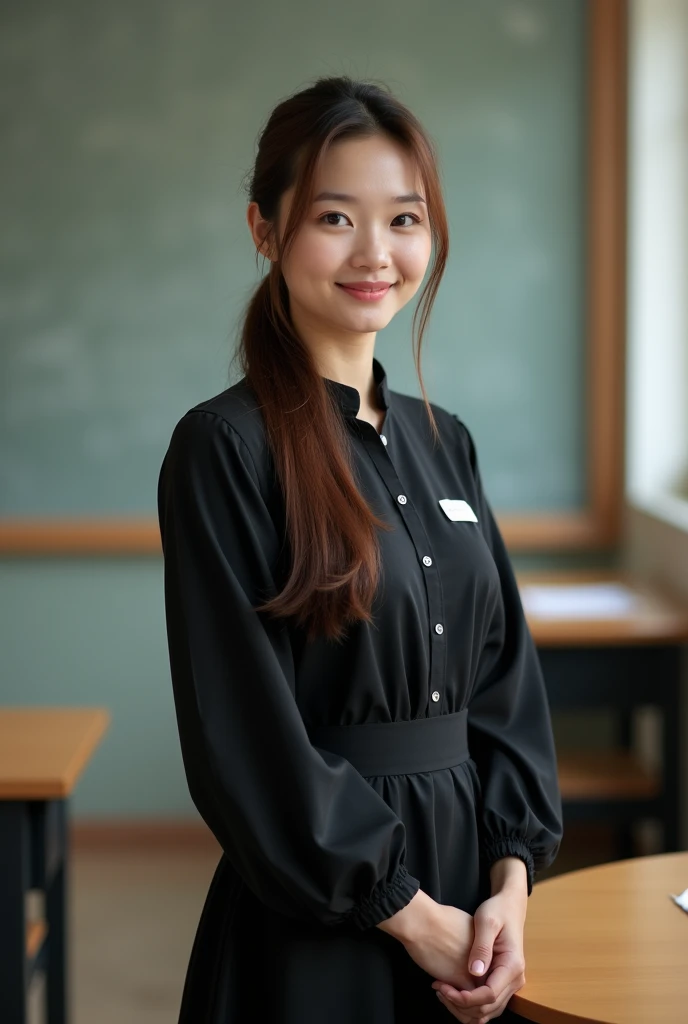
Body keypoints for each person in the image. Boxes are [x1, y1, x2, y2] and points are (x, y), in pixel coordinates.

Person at [157, 75, 563, 1024]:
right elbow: (240, 731)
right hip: (320, 916)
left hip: (475, 904)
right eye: (335, 217)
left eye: (405, 219)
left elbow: (504, 681)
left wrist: (509, 883)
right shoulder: (225, 446)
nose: (376, 253)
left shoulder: (444, 436)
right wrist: (410, 916)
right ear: (265, 230)